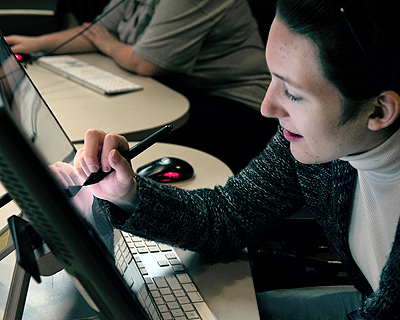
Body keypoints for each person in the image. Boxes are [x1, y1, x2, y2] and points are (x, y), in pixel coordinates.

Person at [51, 0, 400, 319]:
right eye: (273, 79)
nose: (267, 108)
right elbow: (228, 216)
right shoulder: (321, 147)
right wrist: (127, 193)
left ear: (380, 110)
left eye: (293, 94)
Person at [5, 0, 277, 173]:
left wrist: (108, 44)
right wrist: (33, 43)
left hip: (237, 105)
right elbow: (96, 31)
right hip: (179, 92)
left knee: (116, 148)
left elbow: (145, 63)